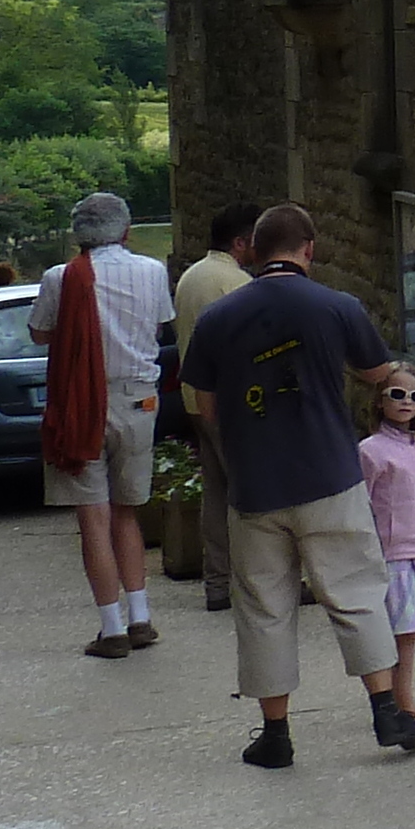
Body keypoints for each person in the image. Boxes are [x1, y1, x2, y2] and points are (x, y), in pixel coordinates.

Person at [179, 202, 415, 765]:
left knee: (265, 608)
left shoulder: (219, 318)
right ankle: (387, 712)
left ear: (255, 248)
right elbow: (376, 372)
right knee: (357, 594)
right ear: (309, 250)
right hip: (329, 477)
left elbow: (204, 403)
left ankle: (275, 736)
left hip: (256, 486)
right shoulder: (337, 306)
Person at [28, 190, 177, 658]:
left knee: (92, 516)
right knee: (127, 511)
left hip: (80, 402)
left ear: (78, 235)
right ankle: (140, 616)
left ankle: (110, 627)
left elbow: (39, 332)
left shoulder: (61, 277)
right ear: (127, 230)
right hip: (138, 399)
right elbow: (159, 325)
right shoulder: (152, 271)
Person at [168, 203, 261, 613]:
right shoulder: (236, 283)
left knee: (216, 492)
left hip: (195, 398)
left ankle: (218, 582)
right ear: (241, 242)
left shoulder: (192, 276)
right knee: (253, 493)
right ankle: (257, 583)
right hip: (232, 402)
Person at [358, 380, 415, 728]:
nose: (406, 402)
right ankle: (402, 704)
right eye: (397, 394)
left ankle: (403, 699)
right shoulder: (371, 451)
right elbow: (361, 503)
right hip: (391, 555)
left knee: (408, 634)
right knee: (401, 633)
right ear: (380, 400)